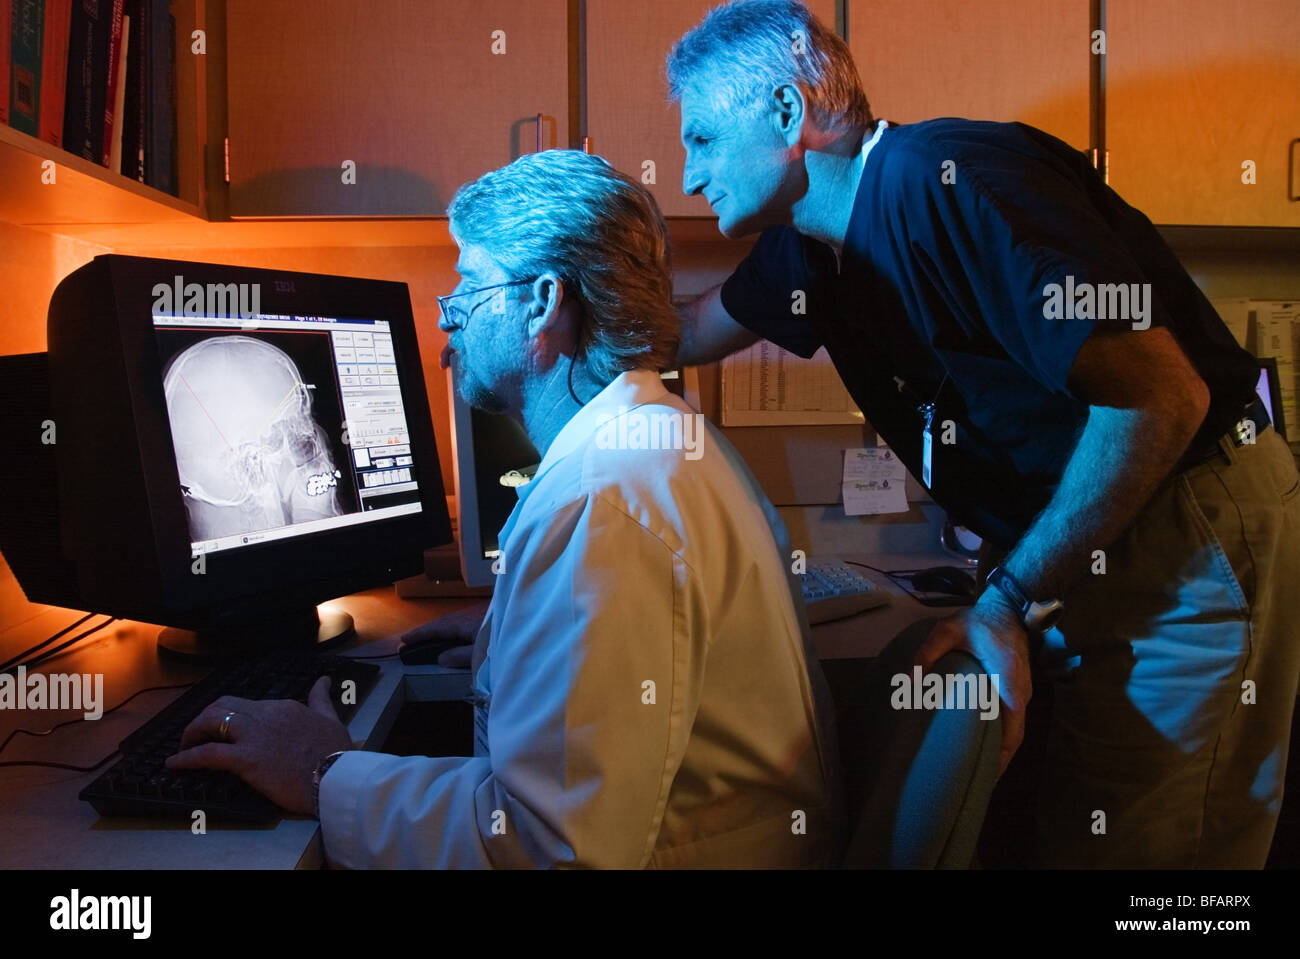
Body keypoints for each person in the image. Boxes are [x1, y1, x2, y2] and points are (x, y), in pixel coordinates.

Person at [666, 0, 1300, 868]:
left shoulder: (952, 181)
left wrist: (1004, 598)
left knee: (1149, 852)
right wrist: (538, 307)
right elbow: (688, 330)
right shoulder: (810, 246)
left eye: (701, 139)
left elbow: (1163, 397)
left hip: (1183, 517)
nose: (689, 174)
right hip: (1094, 535)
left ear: (787, 113)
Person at [167, 149, 845, 869]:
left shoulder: (601, 500)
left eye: (467, 280)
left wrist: (321, 770)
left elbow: (544, 848)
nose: (446, 311)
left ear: (544, 300)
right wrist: (511, 642)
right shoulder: (667, 438)